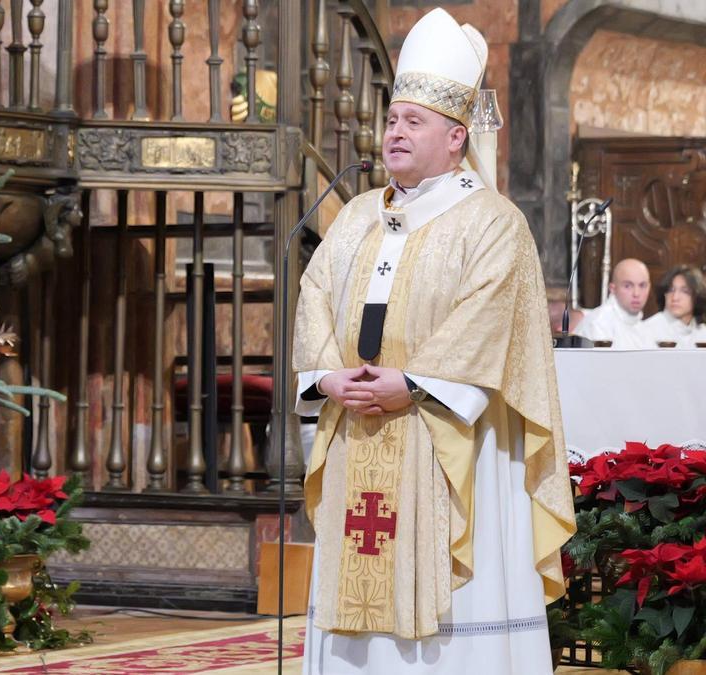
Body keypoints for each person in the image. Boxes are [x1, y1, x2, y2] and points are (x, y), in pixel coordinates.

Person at [292, 9, 574, 674]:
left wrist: (411, 383)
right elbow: (313, 296)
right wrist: (329, 375)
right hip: (357, 427)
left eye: (412, 122)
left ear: (455, 137)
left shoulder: (494, 223)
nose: (394, 132)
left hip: (453, 442)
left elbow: (488, 320)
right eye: (392, 119)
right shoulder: (359, 215)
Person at [572, 258, 651, 349]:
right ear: (613, 288)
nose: (636, 293)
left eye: (642, 285)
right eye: (627, 286)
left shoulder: (645, 328)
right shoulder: (598, 324)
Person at [641, 265, 706, 348]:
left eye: (684, 291)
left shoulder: (703, 332)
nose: (675, 297)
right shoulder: (648, 330)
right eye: (670, 290)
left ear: (697, 296)